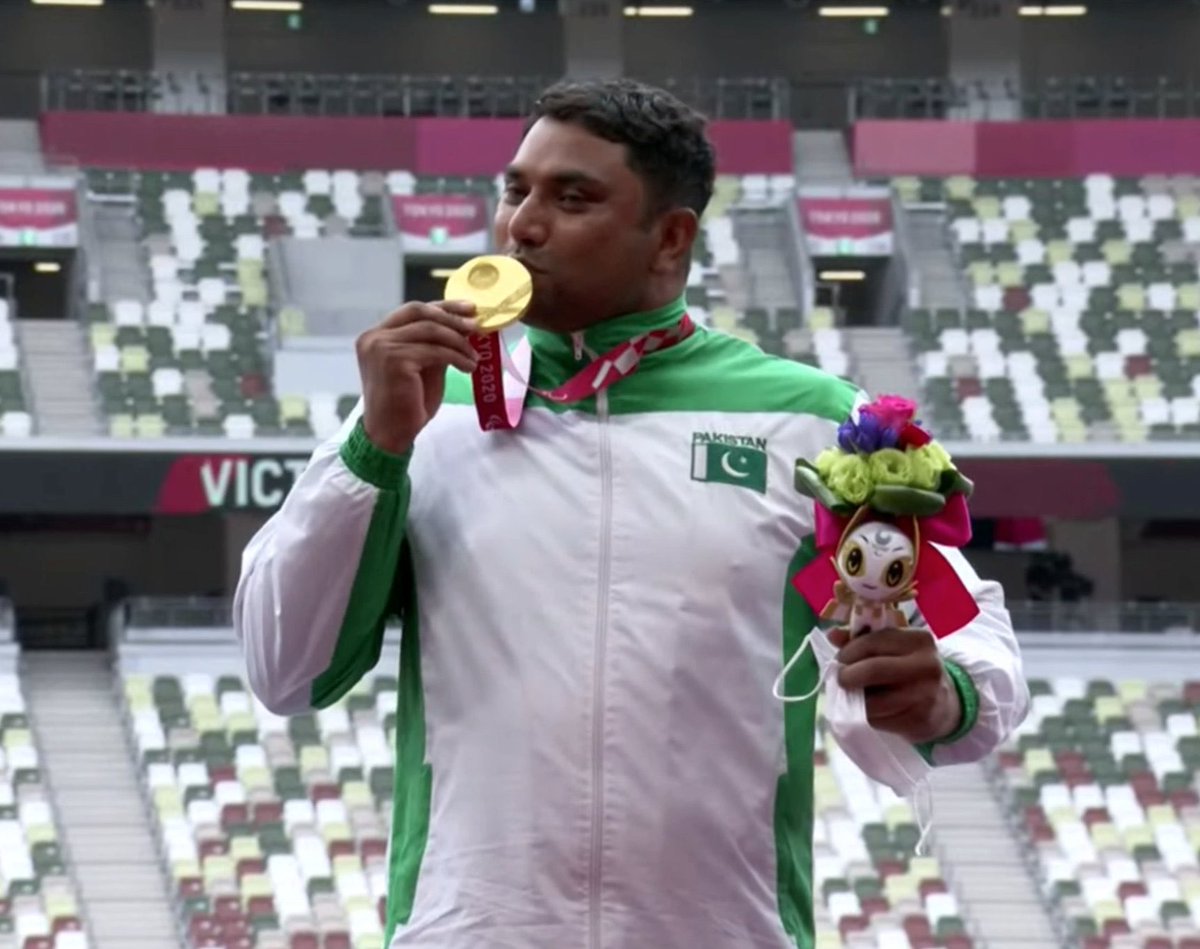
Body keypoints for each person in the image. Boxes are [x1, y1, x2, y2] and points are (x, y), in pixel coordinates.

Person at [234, 78, 1030, 949]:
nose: (522, 226)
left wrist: (945, 692)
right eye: (516, 190)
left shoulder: (814, 422)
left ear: (671, 237)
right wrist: (373, 451)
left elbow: (963, 629)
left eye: (572, 198)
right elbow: (284, 667)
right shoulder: (426, 407)